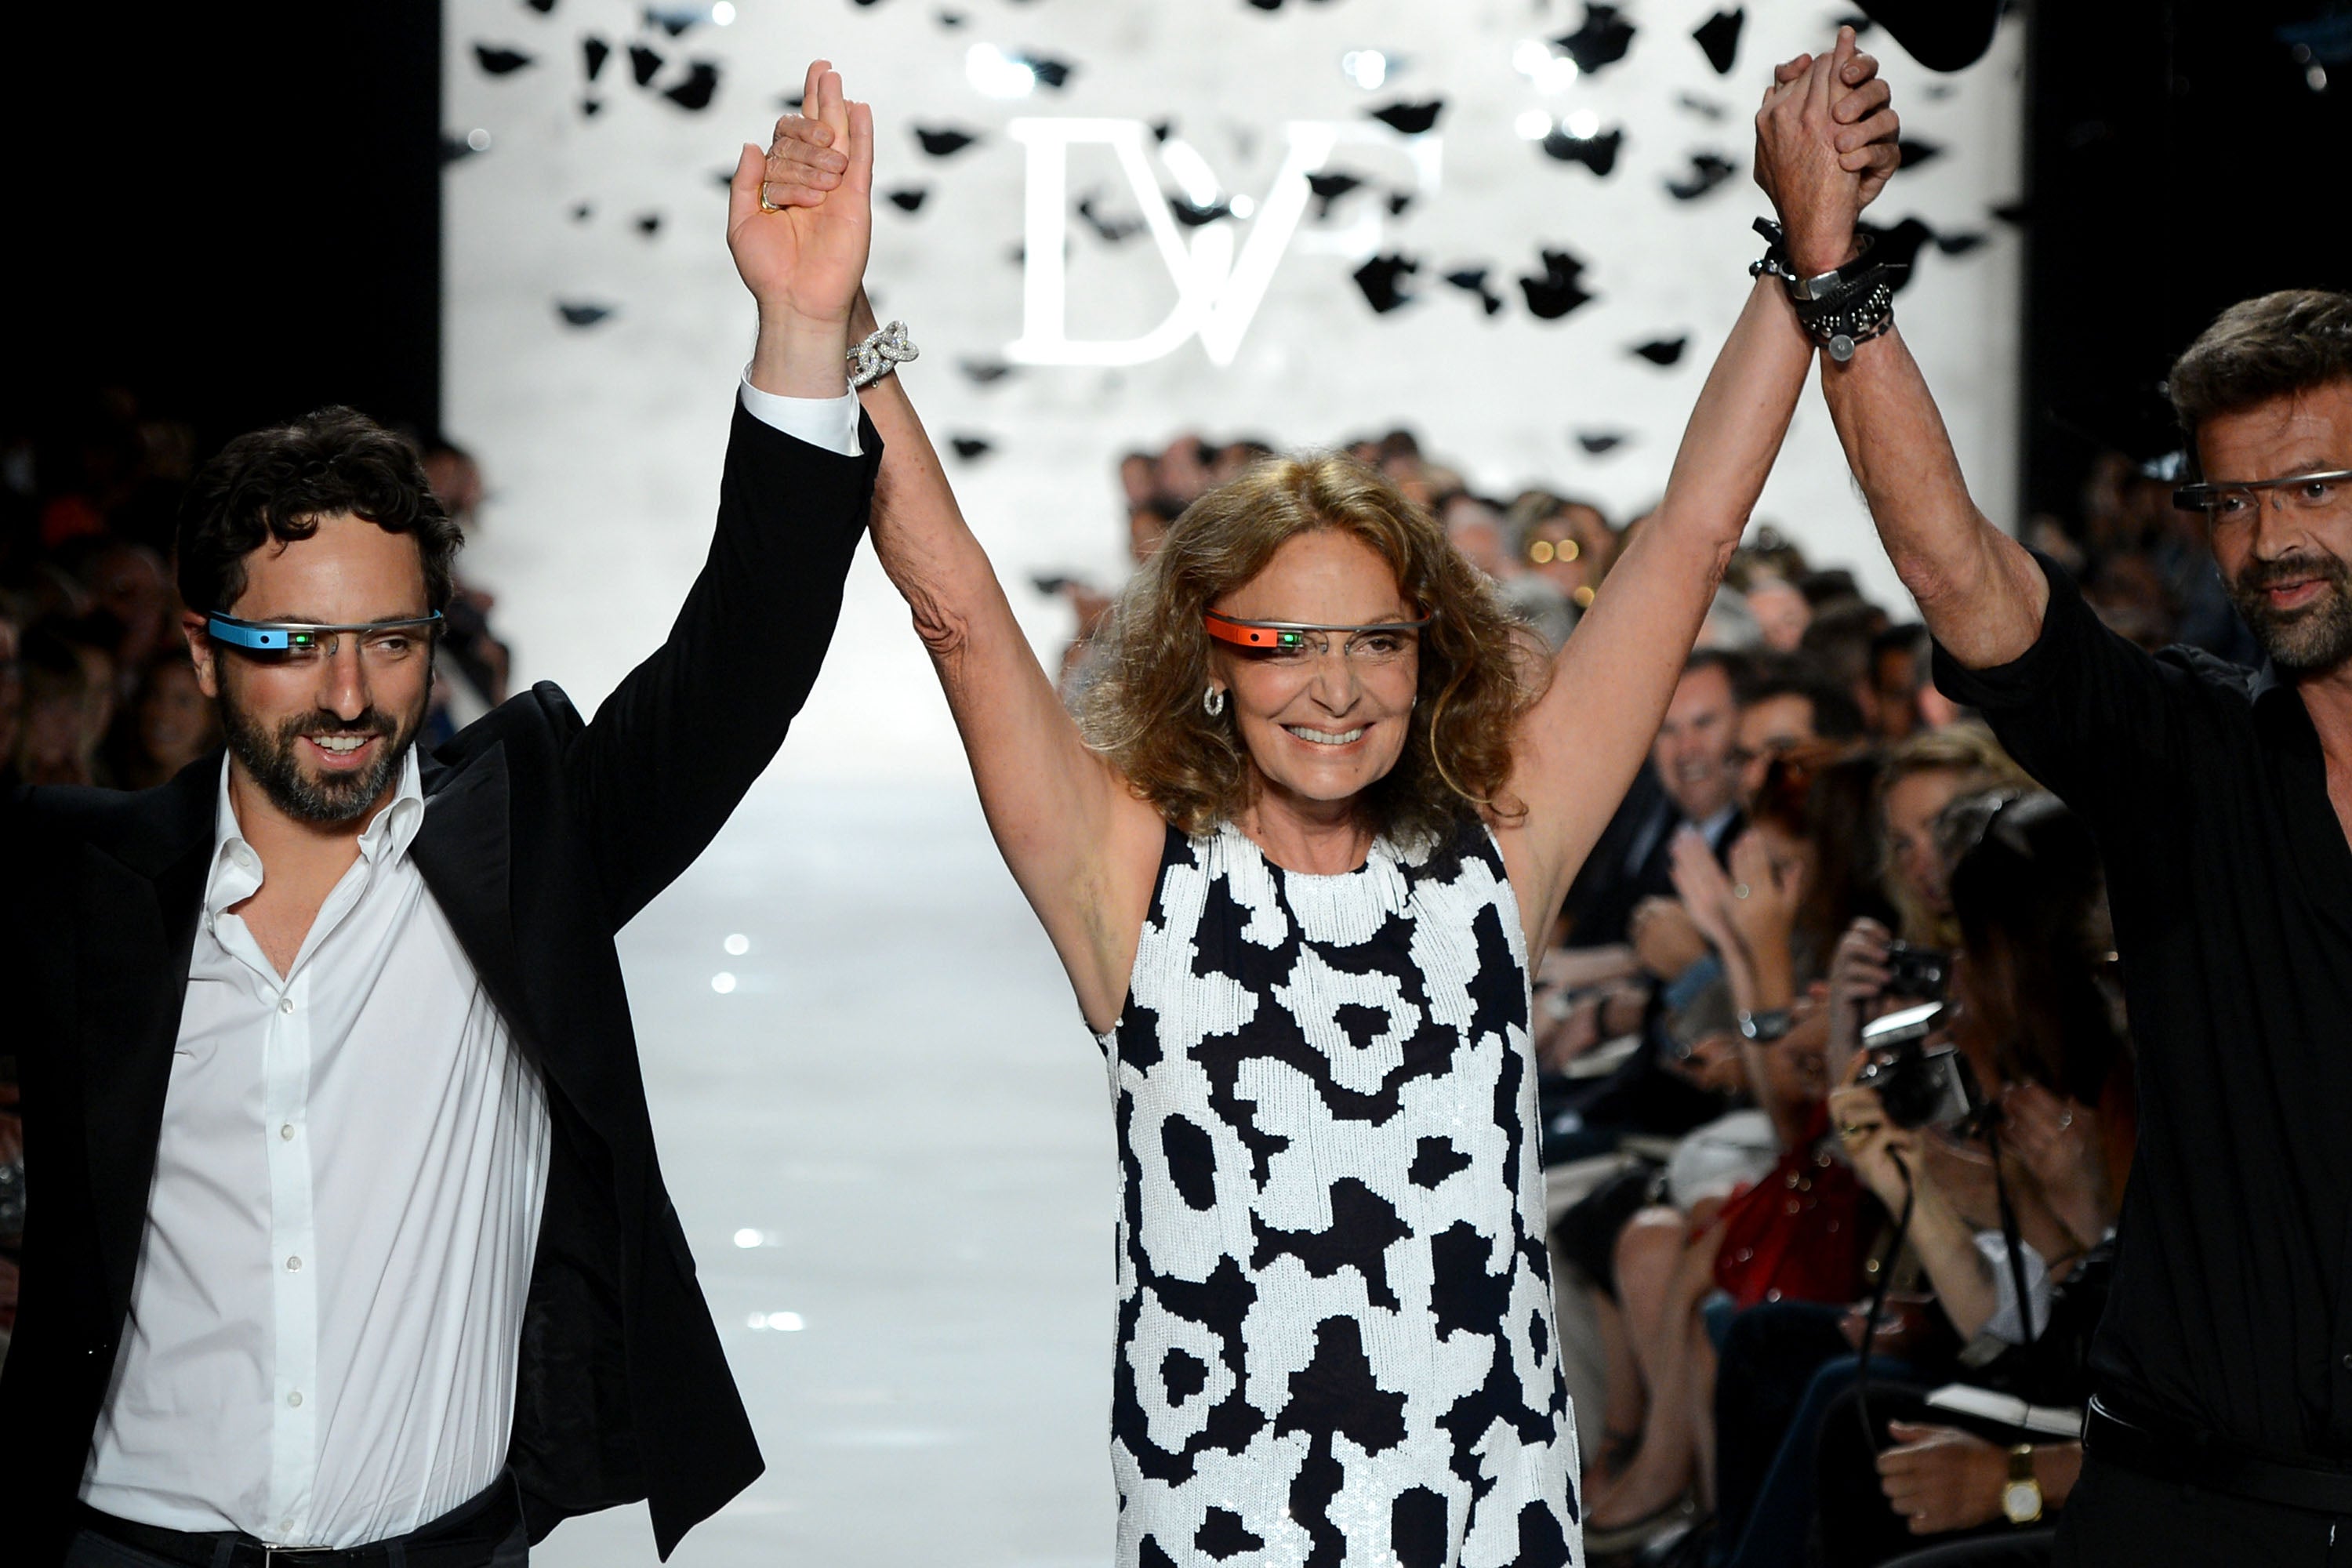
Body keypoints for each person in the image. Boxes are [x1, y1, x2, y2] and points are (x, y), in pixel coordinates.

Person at [766, 33, 1900, 1563]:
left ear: (1427, 655)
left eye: (1375, 638)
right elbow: (961, 611)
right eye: (1285, 641)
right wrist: (837, 335)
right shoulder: (1131, 879)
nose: (1337, 681)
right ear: (1213, 660)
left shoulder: (1500, 857)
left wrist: (1798, 260)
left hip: (1489, 1529)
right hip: (1225, 1532)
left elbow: (1691, 540)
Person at [0, 60, 881, 1568]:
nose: (347, 691)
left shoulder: (521, 845)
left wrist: (803, 330)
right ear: (208, 654)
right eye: (292, 645)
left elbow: (746, 656)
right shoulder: (75, 878)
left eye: (390, 642)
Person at [1773, 62, 2352, 1559]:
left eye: (2315, 489)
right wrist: (1834, 276)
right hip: (2179, 1507)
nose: (2269, 544)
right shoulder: (2187, 763)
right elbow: (1964, 576)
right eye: (2231, 504)